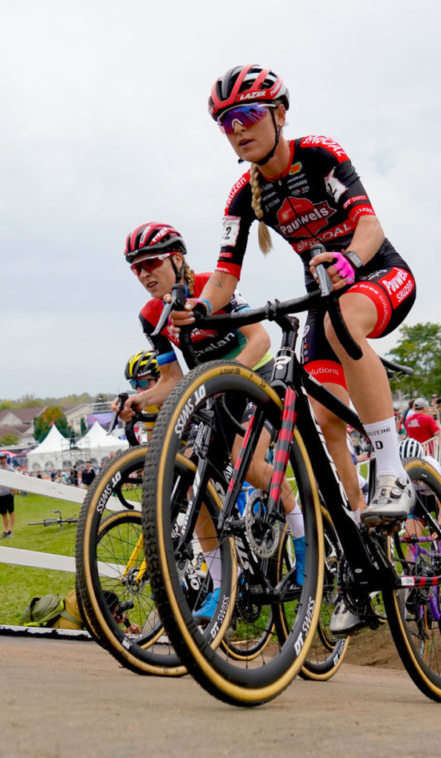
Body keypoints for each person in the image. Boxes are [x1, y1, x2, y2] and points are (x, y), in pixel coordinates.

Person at [187, 64, 419, 541]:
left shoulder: (318, 155)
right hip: (324, 294)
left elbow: (371, 226)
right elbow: (225, 275)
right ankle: (359, 525)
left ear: (280, 114)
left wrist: (351, 259)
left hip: (378, 272)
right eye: (225, 122)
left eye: (248, 114)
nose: (238, 130)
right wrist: (200, 312)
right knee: (326, 412)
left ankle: (393, 471)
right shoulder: (243, 197)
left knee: (341, 326)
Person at [115, 221, 304, 623]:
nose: (144, 273)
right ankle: (222, 588)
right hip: (214, 390)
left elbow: (260, 341)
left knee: (251, 466)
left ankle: (307, 553)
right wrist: (139, 399)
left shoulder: (211, 287)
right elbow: (170, 381)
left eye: (150, 262)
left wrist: (225, 376)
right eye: (135, 268)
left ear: (176, 258)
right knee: (193, 483)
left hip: (257, 378)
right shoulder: (152, 315)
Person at [0, 457, 17, 538]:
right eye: (0, 459)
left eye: (3, 458)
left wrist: (12, 492)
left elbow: (14, 481)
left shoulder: (10, 469)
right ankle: (6, 530)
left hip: (8, 493)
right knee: (3, 513)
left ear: (6, 459)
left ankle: (11, 530)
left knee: (11, 512)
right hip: (0, 494)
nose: (2, 460)